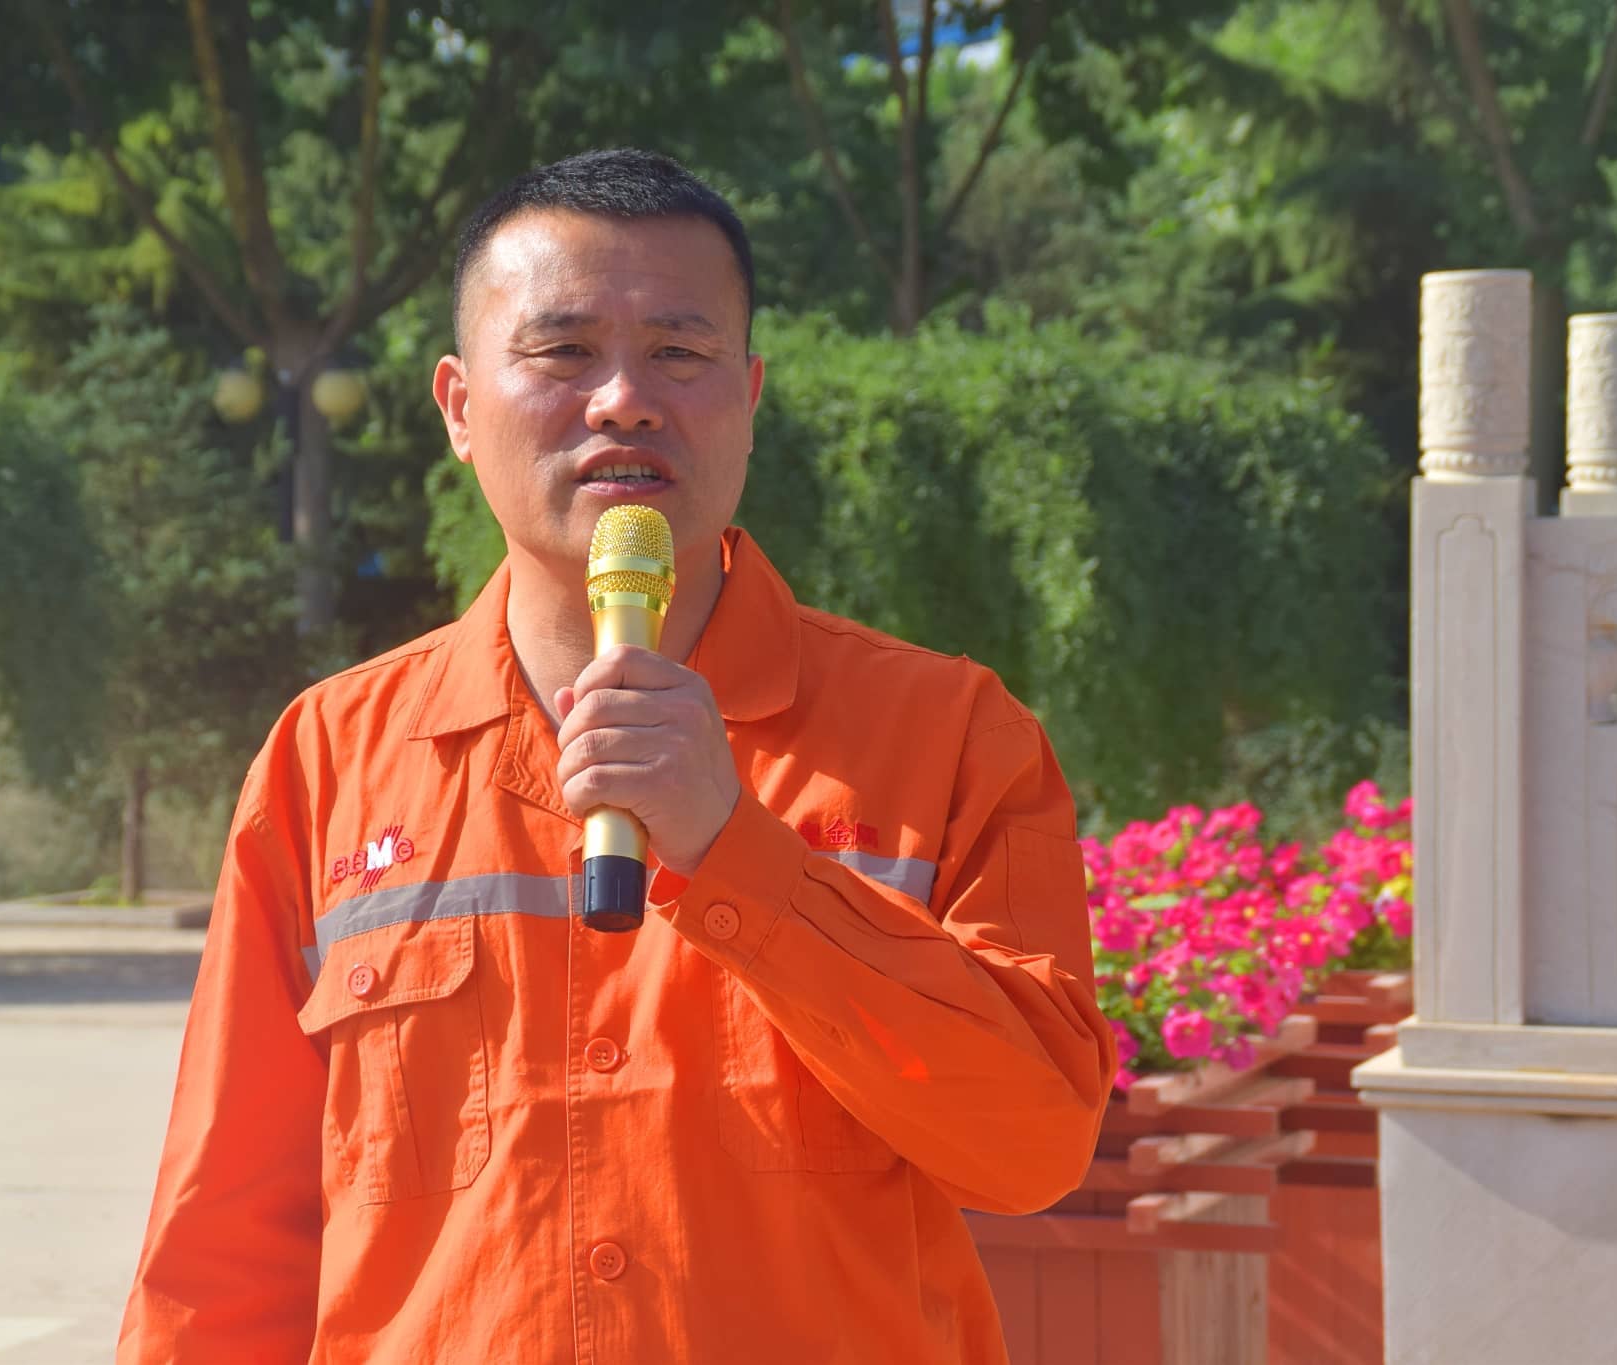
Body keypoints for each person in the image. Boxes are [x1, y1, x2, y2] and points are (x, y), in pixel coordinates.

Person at [117, 148, 1115, 1365]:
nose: (625, 400)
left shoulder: (946, 734)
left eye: (680, 353)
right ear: (457, 407)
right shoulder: (327, 759)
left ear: (749, 396)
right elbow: (224, 1243)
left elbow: (1030, 1147)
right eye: (562, 350)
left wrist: (740, 859)